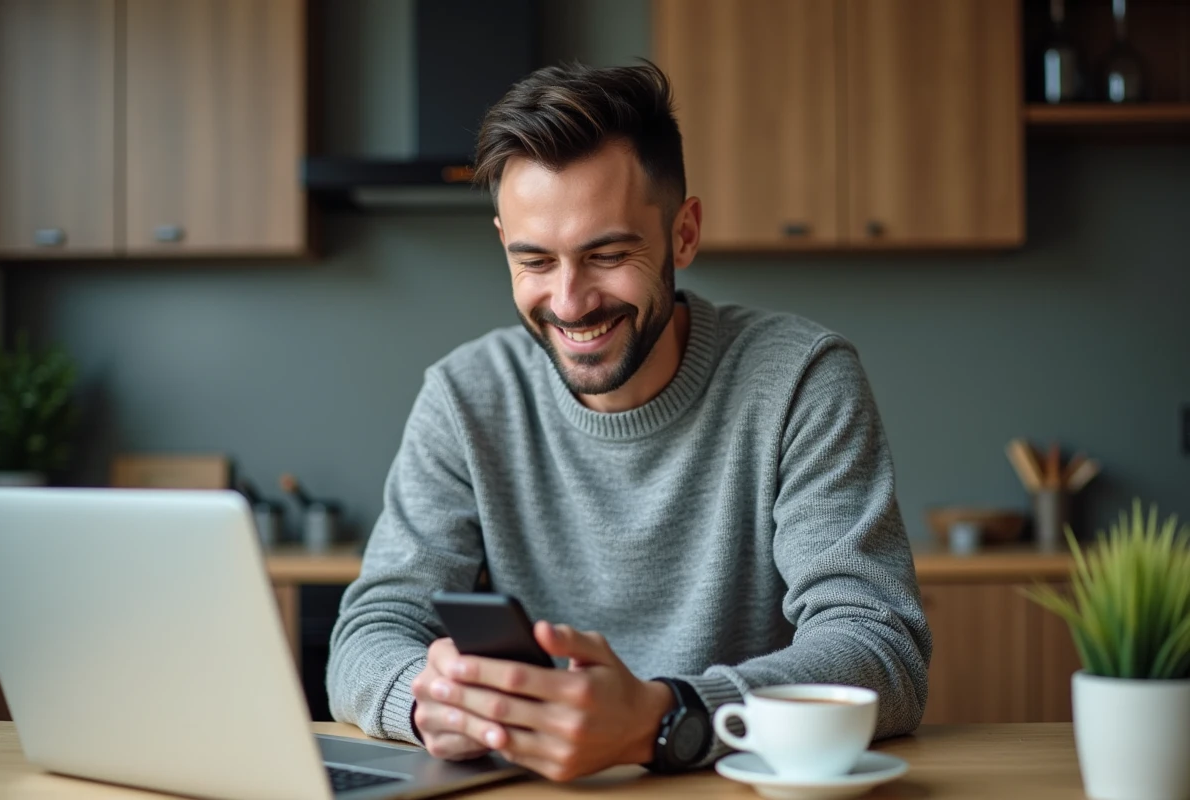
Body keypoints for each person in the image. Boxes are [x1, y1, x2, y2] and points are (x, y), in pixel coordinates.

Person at [327, 61, 931, 782]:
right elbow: (369, 633)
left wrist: (665, 718)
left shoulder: (800, 378)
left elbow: (880, 647)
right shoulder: (465, 397)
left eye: (607, 255)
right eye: (535, 261)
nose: (570, 301)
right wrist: (434, 704)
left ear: (683, 235)